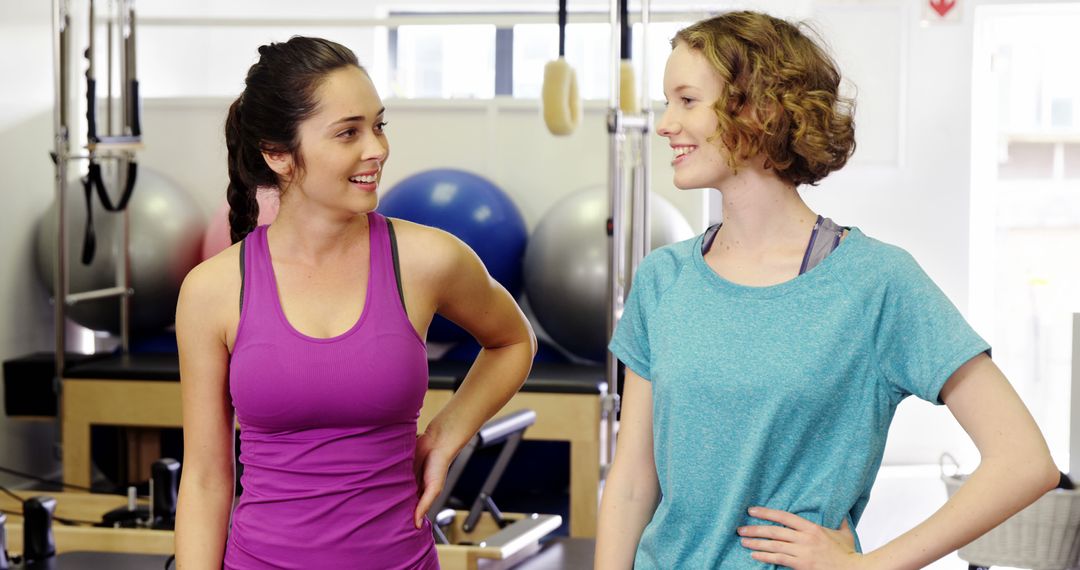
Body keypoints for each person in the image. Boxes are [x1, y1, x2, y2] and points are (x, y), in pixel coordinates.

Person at [595, 11, 1058, 570]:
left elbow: (1024, 461)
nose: (665, 122)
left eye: (687, 100)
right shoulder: (662, 280)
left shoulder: (875, 283)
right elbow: (631, 483)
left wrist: (871, 565)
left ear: (762, 109)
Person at [173, 37, 536, 569]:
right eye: (348, 132)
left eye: (379, 125)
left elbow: (511, 340)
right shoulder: (213, 290)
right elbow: (206, 479)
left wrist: (444, 434)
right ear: (278, 155)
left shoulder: (426, 259)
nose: (377, 149)